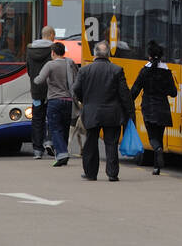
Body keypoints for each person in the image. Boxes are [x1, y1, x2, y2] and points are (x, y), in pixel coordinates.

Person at [72, 40, 132, 182]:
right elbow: (124, 94)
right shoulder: (117, 70)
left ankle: (91, 173)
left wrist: (85, 100)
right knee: (111, 143)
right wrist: (129, 112)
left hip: (91, 111)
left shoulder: (84, 70)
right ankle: (112, 173)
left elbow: (75, 89)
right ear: (109, 54)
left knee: (91, 142)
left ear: (95, 54)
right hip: (112, 112)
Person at [129, 41, 176, 175]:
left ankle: (157, 151)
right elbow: (173, 92)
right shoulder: (167, 72)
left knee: (152, 137)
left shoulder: (145, 71)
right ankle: (157, 167)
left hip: (149, 107)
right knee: (159, 135)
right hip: (163, 108)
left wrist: (127, 102)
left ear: (149, 56)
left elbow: (135, 90)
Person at [33, 41, 77, 167]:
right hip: (68, 101)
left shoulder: (50, 65)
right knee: (65, 128)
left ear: (53, 52)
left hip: (54, 101)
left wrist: (36, 79)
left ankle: (62, 153)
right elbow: (77, 78)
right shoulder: (70, 63)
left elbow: (39, 80)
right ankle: (63, 152)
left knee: (55, 128)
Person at [25, 26, 57, 159]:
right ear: (50, 35)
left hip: (36, 90)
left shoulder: (30, 49)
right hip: (51, 90)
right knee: (52, 118)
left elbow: (28, 70)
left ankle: (37, 150)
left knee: (37, 119)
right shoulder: (54, 49)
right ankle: (49, 141)